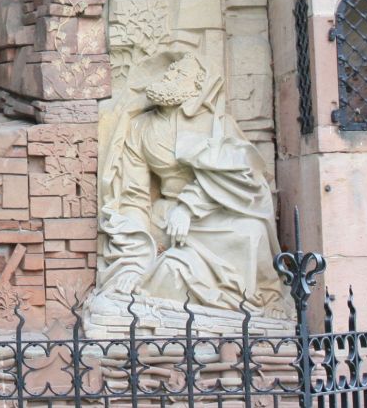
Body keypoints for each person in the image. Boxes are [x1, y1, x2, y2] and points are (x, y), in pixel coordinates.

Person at [91, 51, 287, 316]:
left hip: (215, 211)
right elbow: (133, 197)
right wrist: (134, 262)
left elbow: (243, 174)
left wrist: (189, 207)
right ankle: (149, 285)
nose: (170, 75)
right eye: (171, 70)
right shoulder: (139, 128)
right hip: (165, 217)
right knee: (164, 265)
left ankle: (257, 303)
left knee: (252, 232)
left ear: (196, 87)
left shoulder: (216, 124)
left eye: (181, 74)